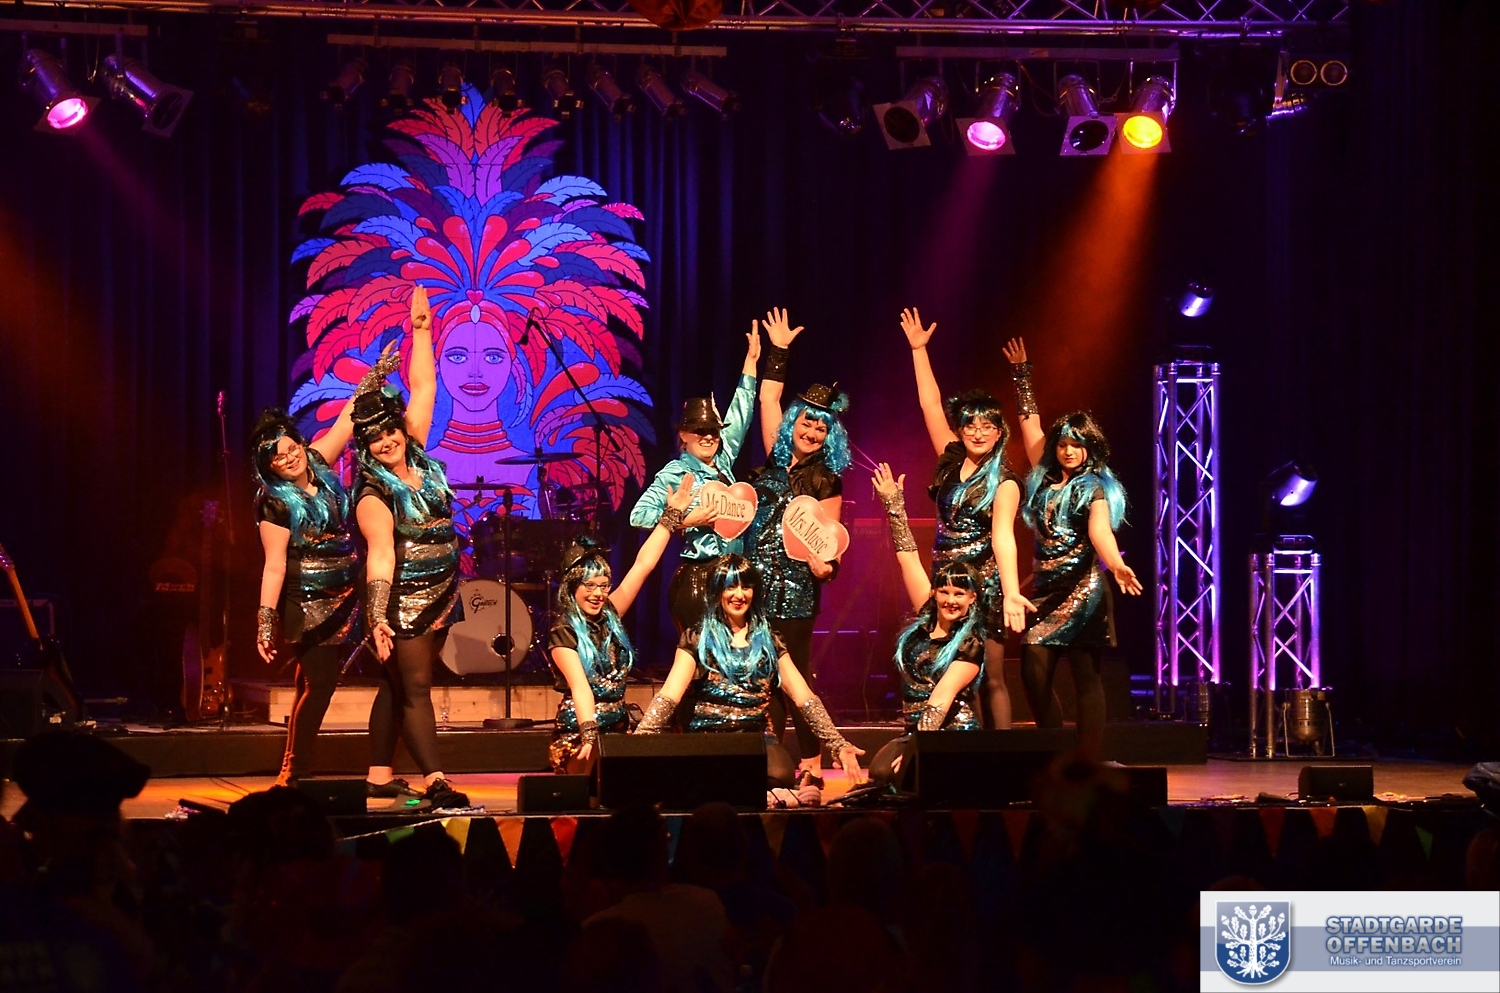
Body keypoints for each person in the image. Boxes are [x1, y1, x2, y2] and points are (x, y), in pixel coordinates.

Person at [253, 351, 393, 787]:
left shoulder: (317, 461)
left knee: (309, 683)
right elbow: (274, 566)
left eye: (291, 448)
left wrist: (374, 376)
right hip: (307, 602)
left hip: (344, 592)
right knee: (321, 683)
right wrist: (265, 621)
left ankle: (292, 765)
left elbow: (346, 422)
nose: (290, 458)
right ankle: (295, 770)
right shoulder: (273, 502)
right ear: (269, 465)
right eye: (279, 457)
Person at [352, 285, 469, 808]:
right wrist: (379, 616)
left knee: (396, 686)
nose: (386, 442)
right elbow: (380, 556)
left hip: (441, 588)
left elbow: (423, 387)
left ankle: (379, 775)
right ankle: (436, 779)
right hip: (403, 600)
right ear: (365, 447)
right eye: (374, 439)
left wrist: (422, 332)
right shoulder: (372, 494)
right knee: (417, 688)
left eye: (389, 432)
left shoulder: (416, 452)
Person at [900, 307, 1032, 729]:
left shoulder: (1005, 482)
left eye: (987, 427)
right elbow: (930, 405)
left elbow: (1003, 538)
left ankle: (1001, 757)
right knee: (953, 675)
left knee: (990, 676)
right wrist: (919, 351)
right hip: (946, 582)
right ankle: (962, 750)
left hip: (984, 587)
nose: (977, 433)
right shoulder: (951, 459)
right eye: (970, 425)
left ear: (999, 433)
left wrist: (1010, 592)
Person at [634, 555, 864, 796]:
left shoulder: (770, 640)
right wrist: (639, 741)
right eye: (730, 587)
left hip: (757, 739)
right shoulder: (697, 638)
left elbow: (803, 696)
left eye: (746, 587)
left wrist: (837, 744)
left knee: (780, 775)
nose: (739, 594)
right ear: (717, 592)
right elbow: (669, 695)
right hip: (708, 736)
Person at [1010, 349, 1143, 757]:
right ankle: (1055, 749)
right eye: (1064, 444)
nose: (1069, 451)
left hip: (1084, 590)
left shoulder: (1095, 487)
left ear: (1089, 448)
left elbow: (1100, 531)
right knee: (1033, 671)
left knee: (1087, 676)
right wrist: (1021, 376)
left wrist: (1116, 564)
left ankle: (1088, 758)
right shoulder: (1042, 478)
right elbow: (1030, 426)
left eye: (1077, 445)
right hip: (1046, 591)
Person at [746, 306, 850, 787]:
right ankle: (769, 762)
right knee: (762, 677)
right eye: (806, 423)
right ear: (794, 423)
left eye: (820, 428)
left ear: (830, 436)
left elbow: (830, 544)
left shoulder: (826, 480)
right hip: (753, 586)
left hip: (795, 591)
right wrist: (780, 351)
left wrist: (827, 568)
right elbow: (768, 397)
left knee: (795, 678)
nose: (811, 432)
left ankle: (810, 765)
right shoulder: (773, 458)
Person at [547, 476, 695, 773]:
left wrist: (671, 517)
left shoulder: (611, 614)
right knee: (592, 776)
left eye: (603, 585)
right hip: (579, 731)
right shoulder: (563, 630)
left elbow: (643, 565)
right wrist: (590, 734)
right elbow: (581, 687)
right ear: (573, 588)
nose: (598, 593)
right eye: (589, 585)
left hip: (617, 729)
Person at [628, 324, 760, 631]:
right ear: (684, 435)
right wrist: (686, 519)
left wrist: (751, 364)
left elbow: (740, 415)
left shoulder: (722, 462)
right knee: (699, 653)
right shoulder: (676, 473)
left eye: (713, 431)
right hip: (698, 577)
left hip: (733, 579)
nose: (709, 436)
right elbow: (638, 515)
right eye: (700, 431)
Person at [866, 464, 987, 787]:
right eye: (944, 591)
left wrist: (915, 751)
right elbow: (908, 557)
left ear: (972, 598)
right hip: (914, 730)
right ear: (934, 592)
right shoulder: (925, 614)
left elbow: (941, 699)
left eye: (959, 594)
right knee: (880, 773)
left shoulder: (970, 643)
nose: (950, 600)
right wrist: (894, 505)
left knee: (905, 778)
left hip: (950, 732)